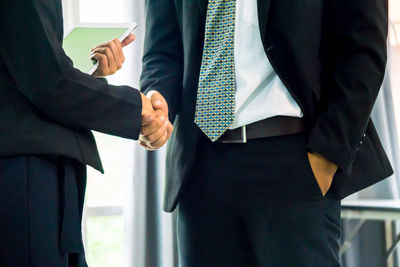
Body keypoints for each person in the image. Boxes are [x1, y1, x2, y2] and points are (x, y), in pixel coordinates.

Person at [140, 0, 393, 266]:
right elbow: (161, 52)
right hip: (201, 166)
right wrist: (156, 98)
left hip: (295, 163)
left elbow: (363, 47)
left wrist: (327, 155)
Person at [0, 0, 172, 266]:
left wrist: (83, 72)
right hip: (25, 174)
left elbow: (30, 65)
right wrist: (137, 109)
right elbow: (48, 82)